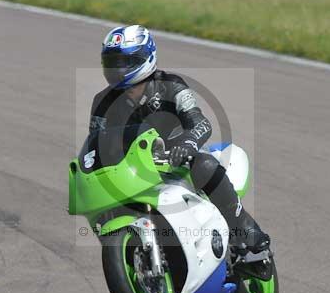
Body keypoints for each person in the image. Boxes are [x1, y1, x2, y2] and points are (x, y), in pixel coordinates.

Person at [90, 24, 271, 255]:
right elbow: (96, 144)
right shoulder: (102, 102)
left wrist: (187, 144)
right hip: (134, 170)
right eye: (112, 62)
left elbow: (200, 121)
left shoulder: (170, 85)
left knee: (204, 164)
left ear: (144, 58)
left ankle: (244, 226)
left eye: (124, 61)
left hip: (177, 161)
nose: (117, 69)